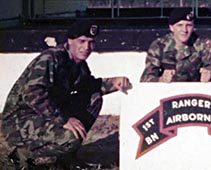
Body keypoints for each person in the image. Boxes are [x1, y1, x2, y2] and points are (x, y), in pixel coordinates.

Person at [0, 20, 132, 169]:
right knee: (70, 138)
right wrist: (63, 120)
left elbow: (88, 86)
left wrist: (113, 82)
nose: (86, 47)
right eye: (81, 41)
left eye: (91, 42)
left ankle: (67, 158)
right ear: (70, 41)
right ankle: (20, 154)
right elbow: (33, 93)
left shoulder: (79, 65)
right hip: (20, 120)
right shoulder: (51, 58)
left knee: (94, 98)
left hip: (45, 114)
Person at [140, 8, 211, 82]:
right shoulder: (159, 46)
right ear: (171, 27)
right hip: (167, 94)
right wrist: (161, 79)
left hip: (197, 94)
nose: (184, 30)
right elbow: (145, 79)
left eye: (189, 25)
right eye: (180, 25)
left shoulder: (204, 45)